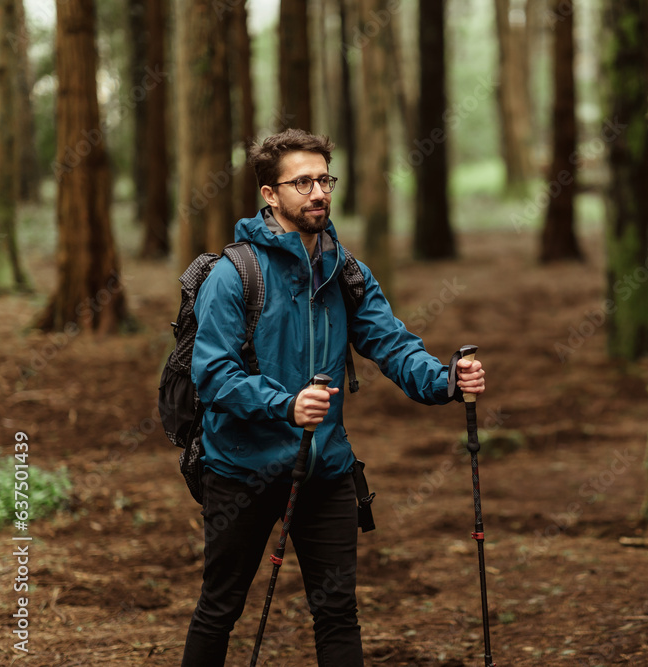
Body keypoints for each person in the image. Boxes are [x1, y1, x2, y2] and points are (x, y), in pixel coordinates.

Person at [181, 128, 485, 666]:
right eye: (302, 182)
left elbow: (391, 344)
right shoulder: (233, 276)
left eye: (325, 179)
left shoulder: (345, 272)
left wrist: (446, 380)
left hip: (326, 469)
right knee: (220, 608)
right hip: (240, 469)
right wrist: (285, 404)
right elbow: (213, 375)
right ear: (270, 195)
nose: (318, 191)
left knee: (338, 611)